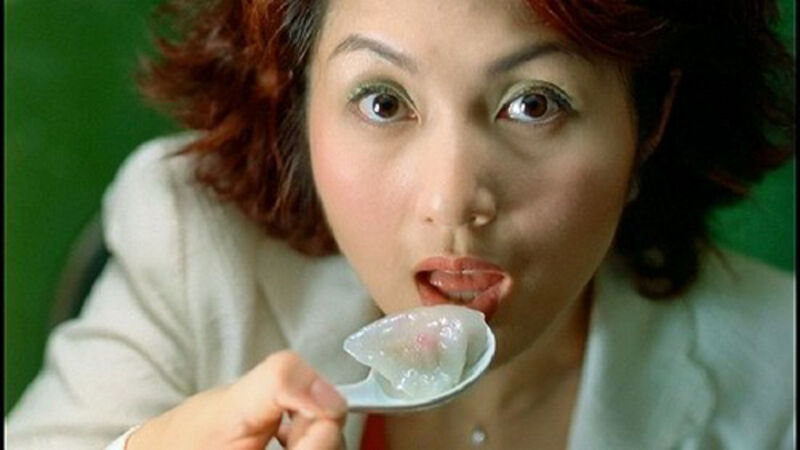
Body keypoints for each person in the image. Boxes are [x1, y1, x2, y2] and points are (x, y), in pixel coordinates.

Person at [6, 0, 794, 448]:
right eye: (382, 102)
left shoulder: (779, 373)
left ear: (647, 123)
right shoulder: (195, 248)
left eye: (534, 104)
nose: (452, 201)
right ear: (296, 102)